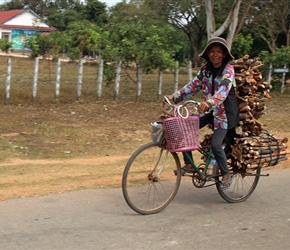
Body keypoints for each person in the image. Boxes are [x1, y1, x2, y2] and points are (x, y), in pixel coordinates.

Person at [166, 37, 239, 190]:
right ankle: (189, 164)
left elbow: (223, 91)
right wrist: (175, 96)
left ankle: (226, 174)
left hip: (224, 114)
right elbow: (193, 86)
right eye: (212, 51)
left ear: (224, 54)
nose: (215, 55)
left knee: (215, 144)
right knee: (182, 129)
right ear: (208, 54)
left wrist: (209, 102)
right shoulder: (205, 70)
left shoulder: (228, 70)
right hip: (209, 111)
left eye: (219, 52)